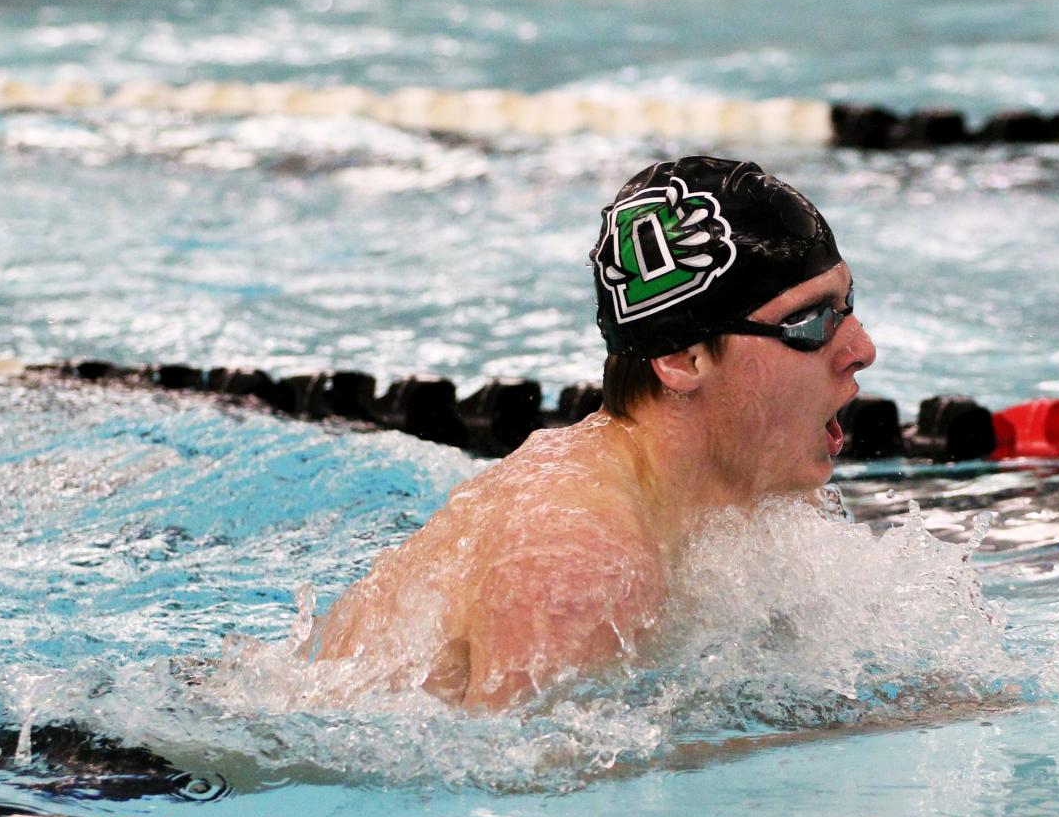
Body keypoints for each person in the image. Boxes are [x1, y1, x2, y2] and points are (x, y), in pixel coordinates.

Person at [309, 156, 876, 710]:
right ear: (682, 359)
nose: (862, 349)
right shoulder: (581, 568)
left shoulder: (766, 496)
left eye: (847, 306)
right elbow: (510, 783)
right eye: (812, 321)